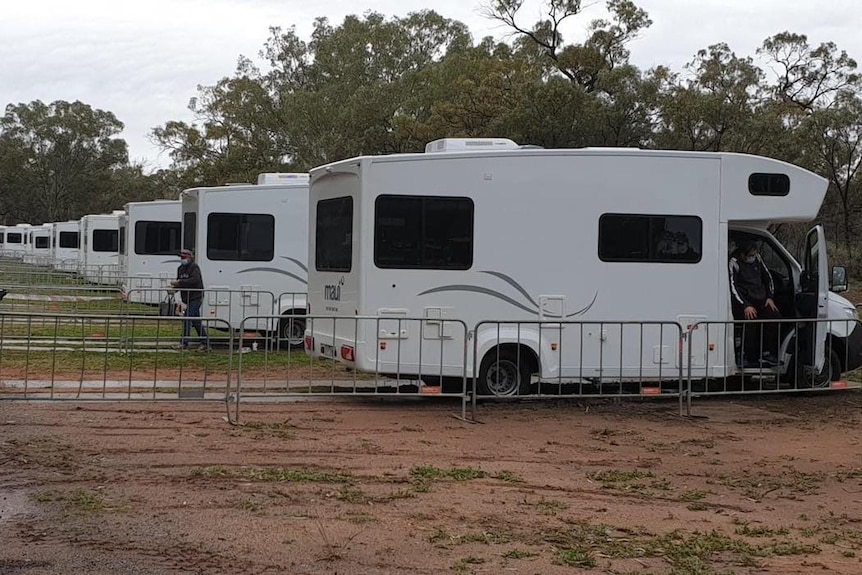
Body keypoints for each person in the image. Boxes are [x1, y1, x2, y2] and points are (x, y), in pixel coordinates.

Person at [729, 240, 780, 367]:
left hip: (761, 299)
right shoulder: (734, 262)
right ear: (742, 254)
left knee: (774, 316)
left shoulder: (757, 259)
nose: (753, 256)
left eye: (754, 253)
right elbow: (733, 286)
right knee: (751, 320)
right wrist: (745, 305)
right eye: (750, 255)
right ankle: (744, 354)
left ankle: (767, 352)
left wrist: (769, 297)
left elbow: (768, 278)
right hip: (745, 301)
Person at [170, 249, 209, 350]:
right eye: (181, 258)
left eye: (184, 258)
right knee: (196, 322)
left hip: (196, 297)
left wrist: (179, 282)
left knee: (187, 318)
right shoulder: (180, 269)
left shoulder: (194, 267)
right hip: (187, 298)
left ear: (190, 257)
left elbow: (195, 280)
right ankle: (205, 343)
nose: (182, 260)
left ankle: (184, 342)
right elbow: (181, 283)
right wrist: (174, 290)